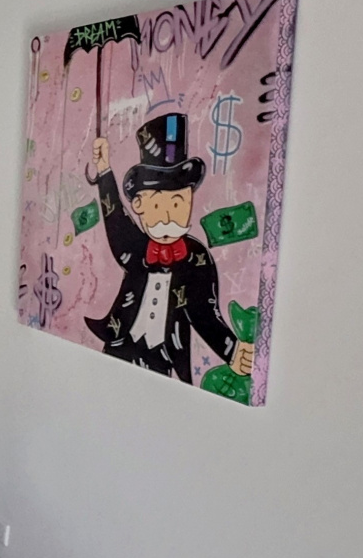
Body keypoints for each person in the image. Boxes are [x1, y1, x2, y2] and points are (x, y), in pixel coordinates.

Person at [83, 113, 256, 385]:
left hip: (164, 356)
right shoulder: (136, 248)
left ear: (190, 199)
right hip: (120, 343)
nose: (166, 217)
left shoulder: (197, 259)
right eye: (156, 205)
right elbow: (115, 218)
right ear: (139, 205)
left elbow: (205, 314)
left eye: (176, 203)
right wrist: (104, 169)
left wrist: (232, 351)